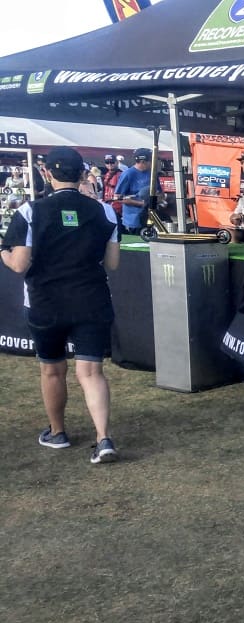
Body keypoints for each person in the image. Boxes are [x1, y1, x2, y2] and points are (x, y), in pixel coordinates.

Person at [1, 146, 121, 464]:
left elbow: (18, 265)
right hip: (92, 299)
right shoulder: (105, 211)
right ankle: (103, 438)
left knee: (52, 370)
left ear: (48, 173)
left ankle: (57, 433)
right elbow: (112, 262)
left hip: (46, 302)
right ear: (82, 174)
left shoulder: (30, 211)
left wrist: (3, 250)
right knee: (92, 372)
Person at [113, 147, 154, 235]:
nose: (153, 163)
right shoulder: (128, 174)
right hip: (134, 221)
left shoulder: (152, 173)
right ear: (143, 161)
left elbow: (158, 191)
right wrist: (141, 204)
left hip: (152, 218)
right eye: (151, 160)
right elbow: (117, 197)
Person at [100, 155, 124, 224]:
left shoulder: (121, 174)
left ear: (116, 162)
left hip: (118, 207)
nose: (110, 164)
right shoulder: (107, 174)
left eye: (112, 162)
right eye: (107, 163)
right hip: (108, 206)